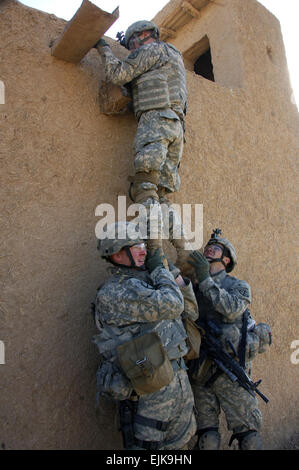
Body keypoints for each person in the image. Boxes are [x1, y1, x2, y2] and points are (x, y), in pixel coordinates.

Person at [92, 221, 197, 450]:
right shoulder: (116, 291)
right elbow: (173, 305)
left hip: (177, 384)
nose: (143, 249)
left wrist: (172, 275)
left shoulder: (146, 282)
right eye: (135, 244)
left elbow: (191, 311)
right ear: (118, 255)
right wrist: (160, 268)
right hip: (150, 395)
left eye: (143, 243)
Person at [94, 22, 189, 267]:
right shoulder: (174, 55)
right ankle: (187, 254)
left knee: (144, 189)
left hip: (155, 122)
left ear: (144, 35)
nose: (132, 47)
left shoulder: (151, 49)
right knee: (161, 197)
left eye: (132, 41)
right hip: (176, 128)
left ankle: (156, 256)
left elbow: (118, 74)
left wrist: (103, 47)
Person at [186, 229, 272, 450]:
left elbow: (232, 309)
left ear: (226, 259)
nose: (207, 250)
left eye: (214, 249)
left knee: (248, 436)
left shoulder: (238, 286)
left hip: (230, 370)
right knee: (207, 438)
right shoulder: (193, 287)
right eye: (206, 247)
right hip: (200, 369)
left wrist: (205, 279)